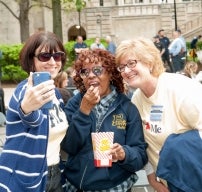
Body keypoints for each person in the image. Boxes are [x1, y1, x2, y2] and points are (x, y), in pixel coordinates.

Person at [115, 37, 202, 192]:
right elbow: (144, 143)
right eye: (121, 67)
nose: (126, 71)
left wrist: (179, 147)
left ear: (149, 62)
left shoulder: (180, 89)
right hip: (166, 185)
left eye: (131, 63)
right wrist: (150, 176)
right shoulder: (136, 99)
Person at [61, 49, 148, 191]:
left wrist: (124, 154)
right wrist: (84, 111)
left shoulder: (127, 108)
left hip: (116, 187)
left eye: (97, 70)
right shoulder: (75, 104)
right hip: (77, 186)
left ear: (110, 73)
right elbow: (69, 146)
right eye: (85, 72)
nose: (90, 76)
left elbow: (140, 155)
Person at [0, 31, 69, 192]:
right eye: (45, 56)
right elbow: (30, 116)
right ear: (32, 60)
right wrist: (28, 107)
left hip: (55, 174)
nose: (52, 62)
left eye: (57, 56)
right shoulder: (25, 90)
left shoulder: (56, 94)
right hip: (24, 177)